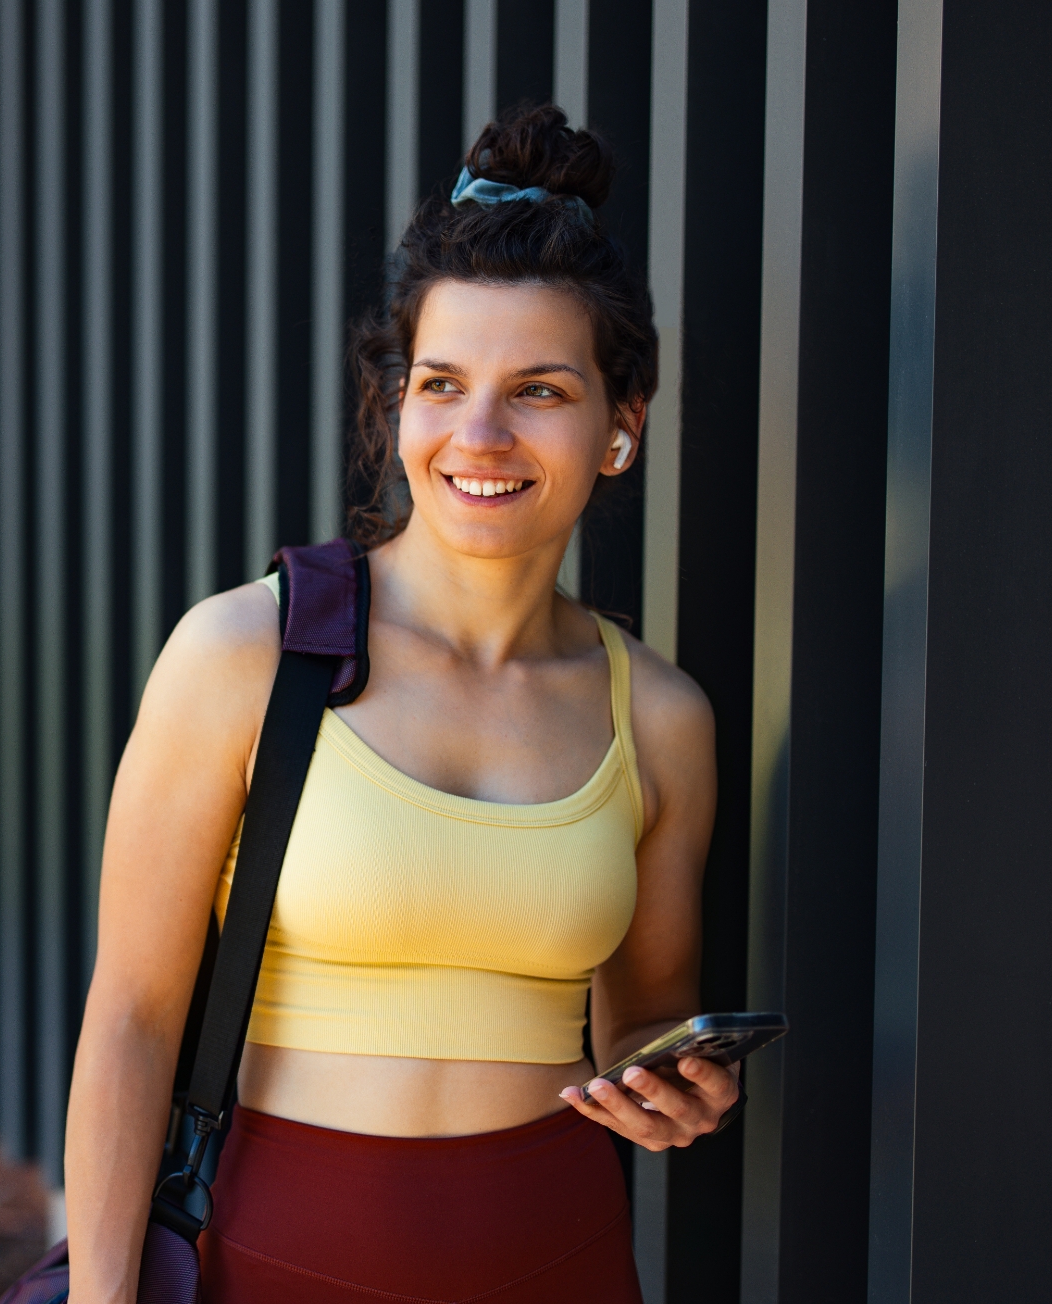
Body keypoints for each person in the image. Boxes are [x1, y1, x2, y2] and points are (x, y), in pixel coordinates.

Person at [63, 104, 728, 1303]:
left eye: (538, 389)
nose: (480, 433)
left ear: (620, 424)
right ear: (400, 403)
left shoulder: (660, 716)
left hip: (564, 1260)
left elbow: (643, 1023)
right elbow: (131, 1019)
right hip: (268, 1260)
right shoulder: (244, 653)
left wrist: (674, 1085)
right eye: (442, 382)